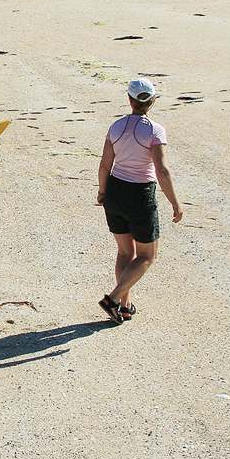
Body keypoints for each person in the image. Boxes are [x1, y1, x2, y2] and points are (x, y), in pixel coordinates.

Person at [95, 79, 182, 324]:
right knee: (146, 256)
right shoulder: (154, 130)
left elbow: (105, 165)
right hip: (139, 194)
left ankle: (125, 305)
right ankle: (113, 299)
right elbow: (162, 170)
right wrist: (175, 202)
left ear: (130, 99)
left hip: (115, 191)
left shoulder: (116, 127)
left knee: (125, 251)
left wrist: (102, 192)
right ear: (152, 101)